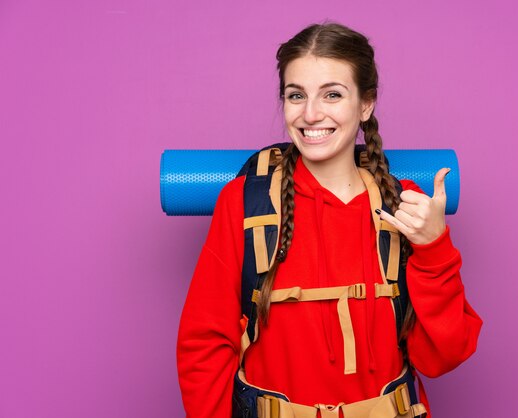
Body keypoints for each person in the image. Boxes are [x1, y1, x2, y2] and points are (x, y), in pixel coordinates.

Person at [176, 21, 483, 418]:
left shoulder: (405, 204)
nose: (310, 114)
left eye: (332, 94)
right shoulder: (243, 202)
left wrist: (434, 247)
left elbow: (443, 355)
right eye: (295, 95)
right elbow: (203, 346)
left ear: (366, 104)